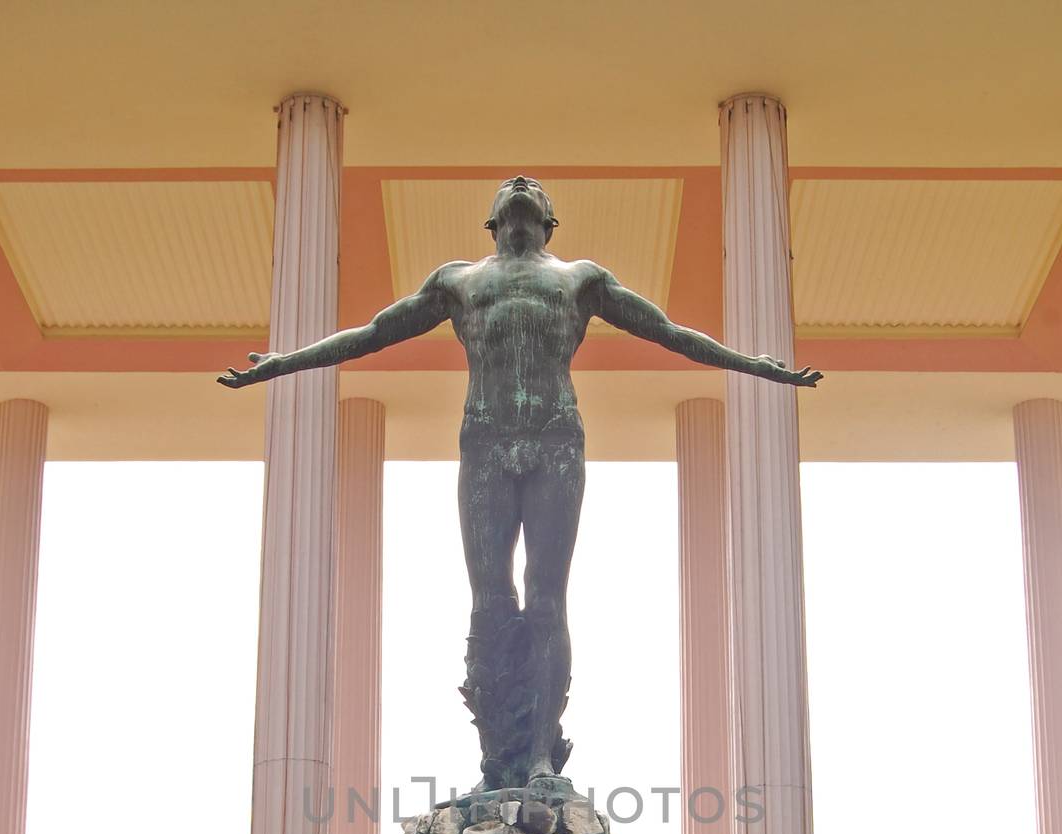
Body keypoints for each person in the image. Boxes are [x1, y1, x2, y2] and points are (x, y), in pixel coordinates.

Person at [220, 177, 820, 792]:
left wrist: (752, 364)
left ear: (550, 220)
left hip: (555, 440)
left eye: (532, 187)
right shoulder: (457, 280)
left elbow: (669, 333)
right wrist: (284, 361)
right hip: (484, 441)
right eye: (510, 186)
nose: (520, 183)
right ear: (492, 221)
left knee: (546, 596)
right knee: (489, 600)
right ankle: (494, 755)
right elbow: (372, 334)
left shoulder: (581, 279)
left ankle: (538, 754)